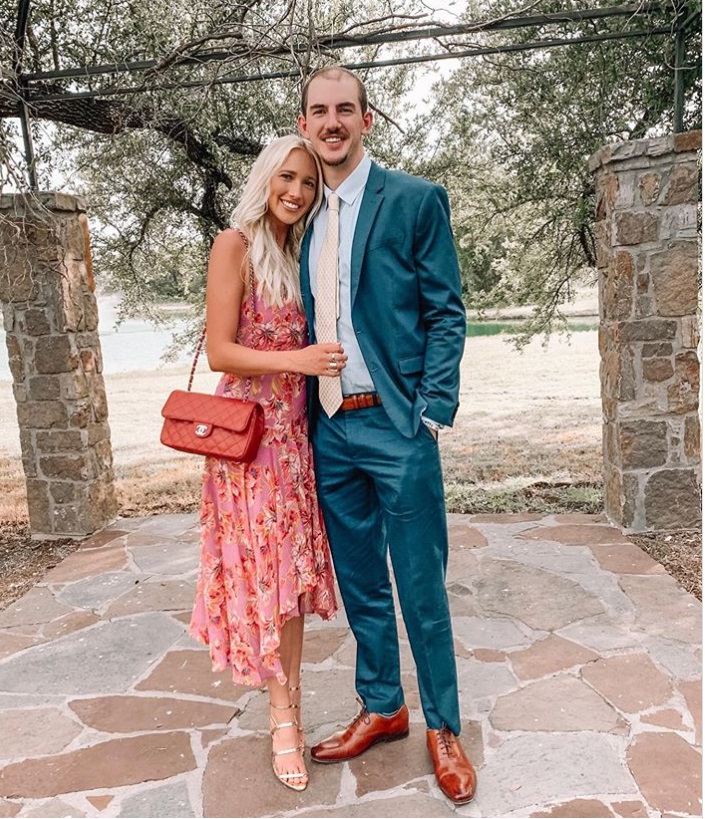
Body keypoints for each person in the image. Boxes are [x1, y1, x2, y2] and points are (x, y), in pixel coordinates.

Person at [297, 67, 477, 804]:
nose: (332, 122)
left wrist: (431, 411)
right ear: (304, 125)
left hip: (397, 423)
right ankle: (382, 705)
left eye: (345, 109)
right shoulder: (298, 213)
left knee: (420, 585)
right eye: (319, 111)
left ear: (366, 119)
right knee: (362, 583)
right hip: (329, 427)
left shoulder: (413, 199)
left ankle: (444, 726)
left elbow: (446, 311)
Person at [189, 134, 347, 792]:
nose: (297, 191)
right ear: (265, 179)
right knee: (271, 581)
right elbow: (220, 352)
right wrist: (298, 361)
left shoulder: (299, 250)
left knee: (291, 584)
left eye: (308, 182)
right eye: (287, 177)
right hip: (249, 448)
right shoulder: (236, 244)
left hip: (295, 443)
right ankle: (283, 720)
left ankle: (290, 704)